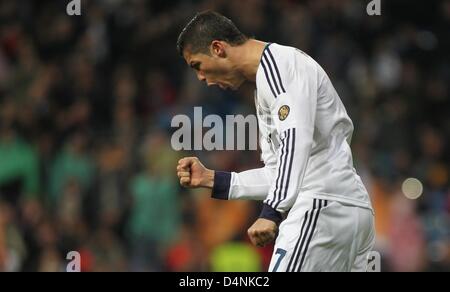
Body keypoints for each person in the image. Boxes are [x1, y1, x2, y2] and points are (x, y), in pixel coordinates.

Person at [175, 11, 375, 272]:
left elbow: (296, 140)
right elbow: (278, 173)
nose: (201, 78)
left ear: (218, 48)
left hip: (321, 207)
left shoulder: (280, 64)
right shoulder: (266, 86)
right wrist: (213, 179)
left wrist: (272, 211)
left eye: (197, 65)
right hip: (347, 210)